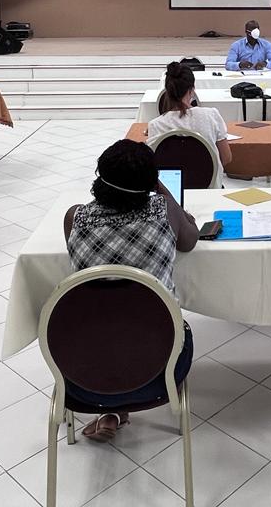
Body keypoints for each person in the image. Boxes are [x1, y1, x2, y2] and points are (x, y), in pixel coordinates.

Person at [66, 139, 199, 441]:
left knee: (109, 320)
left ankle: (112, 410)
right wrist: (161, 188)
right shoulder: (164, 210)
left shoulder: (75, 217)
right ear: (150, 183)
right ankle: (117, 408)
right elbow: (190, 240)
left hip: (82, 371)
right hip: (161, 366)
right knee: (143, 323)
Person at [148, 61, 232, 182]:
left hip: (172, 193)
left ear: (167, 91)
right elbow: (226, 158)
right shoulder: (211, 115)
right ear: (192, 90)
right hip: (209, 189)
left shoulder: (155, 125)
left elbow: (154, 166)